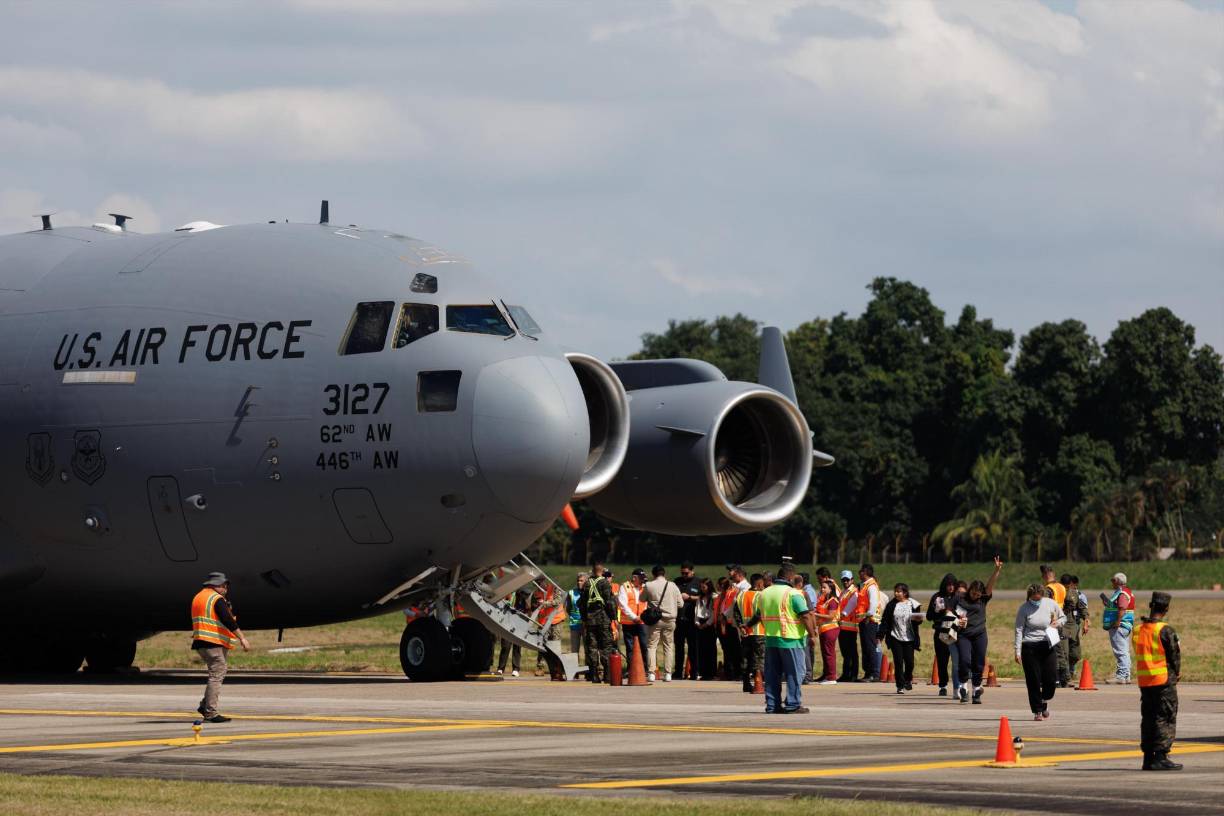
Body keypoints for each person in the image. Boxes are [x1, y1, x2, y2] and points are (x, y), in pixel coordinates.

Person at [191, 572, 250, 723]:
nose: (226, 589)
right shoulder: (216, 599)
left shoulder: (199, 597)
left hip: (201, 641)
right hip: (212, 642)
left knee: (217, 672)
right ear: (217, 585)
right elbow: (228, 620)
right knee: (217, 674)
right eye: (224, 586)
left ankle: (205, 705)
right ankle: (210, 712)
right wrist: (242, 637)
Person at [1134, 591, 1182, 771]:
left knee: (1148, 718)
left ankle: (1148, 758)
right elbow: (1174, 656)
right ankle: (1161, 756)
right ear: (1166, 608)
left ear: (1150, 606)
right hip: (1163, 680)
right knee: (1165, 717)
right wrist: (1176, 672)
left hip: (1145, 681)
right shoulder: (1165, 630)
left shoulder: (1138, 630)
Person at [760, 563, 816, 714]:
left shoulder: (765, 593)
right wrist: (812, 634)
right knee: (794, 673)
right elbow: (805, 614)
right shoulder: (793, 594)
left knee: (772, 675)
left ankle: (772, 705)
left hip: (771, 639)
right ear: (791, 577)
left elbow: (759, 615)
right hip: (791, 639)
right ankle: (793, 704)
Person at [954, 556, 1002, 704]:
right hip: (964, 635)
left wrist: (996, 570)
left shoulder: (983, 599)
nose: (976, 596)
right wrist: (956, 620)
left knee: (979, 663)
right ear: (970, 590)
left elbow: (990, 585)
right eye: (974, 593)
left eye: (978, 594)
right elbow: (950, 611)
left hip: (980, 635)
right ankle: (962, 686)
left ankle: (976, 690)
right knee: (964, 660)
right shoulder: (960, 598)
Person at [1015, 582, 1066, 721]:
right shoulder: (1024, 609)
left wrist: (1057, 623)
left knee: (1050, 679)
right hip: (1029, 647)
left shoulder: (1050, 603)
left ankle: (1044, 700)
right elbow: (1019, 630)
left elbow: (1063, 617)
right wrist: (1017, 651)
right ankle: (1037, 710)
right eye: (1034, 599)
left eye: (1039, 599)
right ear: (1029, 597)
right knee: (1033, 680)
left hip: (1047, 644)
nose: (1037, 601)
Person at [877, 583, 924, 693]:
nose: (896, 593)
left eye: (899, 591)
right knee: (898, 662)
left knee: (910, 662)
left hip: (909, 638)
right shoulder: (891, 605)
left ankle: (907, 679)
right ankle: (900, 685)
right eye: (895, 591)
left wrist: (918, 620)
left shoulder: (913, 604)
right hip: (895, 637)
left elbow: (919, 620)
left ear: (905, 593)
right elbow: (885, 621)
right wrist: (880, 635)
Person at [643, 564, 679, 682]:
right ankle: (668, 674)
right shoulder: (672, 585)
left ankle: (651, 673)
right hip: (670, 620)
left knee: (652, 646)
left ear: (653, 574)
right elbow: (681, 603)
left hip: (655, 620)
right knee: (668, 646)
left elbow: (641, 599)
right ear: (664, 574)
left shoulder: (649, 585)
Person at [927, 573, 961, 697]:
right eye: (948, 585)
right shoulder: (937, 597)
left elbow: (963, 614)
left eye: (953, 585)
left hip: (955, 633)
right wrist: (938, 611)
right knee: (942, 661)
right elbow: (928, 616)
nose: (951, 587)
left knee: (956, 661)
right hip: (940, 633)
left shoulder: (958, 598)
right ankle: (943, 686)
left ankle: (958, 687)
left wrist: (952, 612)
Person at [582, 562, 616, 683]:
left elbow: (581, 603)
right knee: (606, 647)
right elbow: (610, 602)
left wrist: (584, 619)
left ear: (592, 570)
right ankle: (607, 675)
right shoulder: (605, 583)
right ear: (602, 571)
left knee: (592, 647)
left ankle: (594, 675)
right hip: (603, 620)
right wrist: (614, 618)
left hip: (590, 621)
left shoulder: (587, 584)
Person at [1102, 572, 1136, 684]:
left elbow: (1122, 608)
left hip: (1120, 625)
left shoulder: (1121, 593)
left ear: (1117, 581)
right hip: (1125, 625)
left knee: (1120, 651)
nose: (1111, 582)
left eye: (1113, 580)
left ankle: (1121, 676)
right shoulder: (1127, 592)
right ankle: (1126, 676)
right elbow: (1117, 607)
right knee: (1124, 651)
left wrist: (1117, 621)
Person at [735, 573, 766, 691]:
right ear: (759, 583)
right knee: (759, 658)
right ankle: (758, 684)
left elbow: (736, 613)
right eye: (762, 584)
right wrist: (748, 625)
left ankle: (746, 683)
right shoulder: (761, 595)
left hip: (745, 633)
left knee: (746, 658)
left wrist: (741, 626)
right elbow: (759, 614)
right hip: (759, 631)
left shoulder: (741, 595)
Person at [1041, 565, 1070, 686]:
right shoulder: (1062, 587)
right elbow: (1067, 603)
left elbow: (1046, 606)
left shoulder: (1048, 589)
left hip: (1051, 623)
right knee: (1060, 651)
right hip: (1061, 621)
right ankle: (1064, 679)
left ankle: (1055, 679)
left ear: (1045, 576)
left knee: (1051, 651)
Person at [673, 561, 701, 680]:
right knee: (678, 647)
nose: (684, 575)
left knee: (693, 647)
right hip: (679, 620)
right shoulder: (676, 582)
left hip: (692, 620)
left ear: (692, 571)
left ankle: (694, 671)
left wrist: (689, 597)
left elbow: (705, 596)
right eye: (682, 573)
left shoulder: (698, 582)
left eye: (686, 573)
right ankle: (678, 671)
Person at [1061, 573, 1089, 685]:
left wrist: (1086, 619)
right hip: (1062, 627)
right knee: (1064, 653)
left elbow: (1081, 607)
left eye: (1069, 586)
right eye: (1065, 586)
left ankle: (1069, 671)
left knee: (1075, 654)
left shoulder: (1075, 594)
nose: (1067, 589)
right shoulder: (1057, 593)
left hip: (1073, 627)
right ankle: (1066, 678)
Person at [617, 569, 649, 667]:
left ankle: (645, 668)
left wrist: (642, 617)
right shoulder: (625, 587)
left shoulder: (645, 587)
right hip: (629, 622)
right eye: (641, 579)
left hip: (642, 622)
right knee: (630, 647)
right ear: (634, 578)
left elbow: (647, 603)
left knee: (644, 645)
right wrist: (634, 617)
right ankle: (631, 669)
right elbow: (623, 604)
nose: (643, 581)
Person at [858, 564, 883, 682]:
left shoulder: (871, 586)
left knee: (870, 647)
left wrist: (868, 615)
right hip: (864, 619)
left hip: (870, 620)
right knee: (865, 647)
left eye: (861, 572)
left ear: (865, 572)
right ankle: (868, 673)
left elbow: (873, 603)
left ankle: (874, 673)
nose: (859, 574)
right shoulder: (865, 586)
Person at [497, 589, 530, 676]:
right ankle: (501, 668)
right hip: (507, 624)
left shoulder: (523, 598)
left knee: (517, 647)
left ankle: (516, 669)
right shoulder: (509, 594)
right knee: (505, 646)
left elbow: (528, 609)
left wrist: (524, 599)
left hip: (519, 625)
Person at [813, 578, 840, 683]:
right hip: (824, 629)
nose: (822, 589)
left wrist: (815, 614)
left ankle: (831, 677)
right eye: (822, 587)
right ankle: (828, 675)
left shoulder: (833, 601)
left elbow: (830, 616)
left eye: (824, 587)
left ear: (831, 589)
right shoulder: (826, 600)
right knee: (826, 653)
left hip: (830, 628)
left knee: (829, 653)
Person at [715, 576, 741, 681]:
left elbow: (729, 609)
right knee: (726, 650)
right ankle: (728, 672)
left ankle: (735, 672)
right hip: (722, 624)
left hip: (730, 624)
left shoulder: (731, 593)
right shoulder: (721, 596)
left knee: (733, 650)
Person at [836, 570, 860, 682]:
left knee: (852, 652)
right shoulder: (843, 592)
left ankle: (853, 674)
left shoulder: (854, 591)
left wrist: (842, 614)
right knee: (845, 652)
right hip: (842, 626)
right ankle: (846, 674)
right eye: (843, 580)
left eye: (847, 579)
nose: (845, 581)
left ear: (852, 580)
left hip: (850, 626)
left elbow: (852, 605)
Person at [693, 577, 718, 680]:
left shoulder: (714, 597)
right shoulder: (700, 598)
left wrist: (707, 624)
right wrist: (697, 622)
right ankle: (703, 672)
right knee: (701, 649)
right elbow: (697, 610)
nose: (702, 589)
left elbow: (713, 613)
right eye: (701, 587)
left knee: (710, 649)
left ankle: (711, 672)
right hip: (701, 623)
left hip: (709, 624)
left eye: (704, 587)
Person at [565, 572, 588, 660]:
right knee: (574, 651)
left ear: (586, 582)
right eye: (578, 580)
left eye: (581, 581)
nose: (579, 582)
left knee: (588, 650)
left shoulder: (589, 592)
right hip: (574, 625)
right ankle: (575, 671)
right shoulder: (571, 593)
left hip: (586, 626)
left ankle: (589, 671)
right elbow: (568, 609)